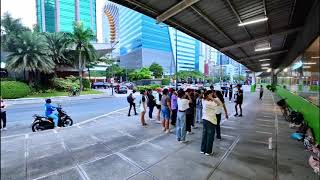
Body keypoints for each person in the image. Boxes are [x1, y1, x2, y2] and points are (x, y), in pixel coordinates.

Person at [201, 90, 221, 156]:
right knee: (210, 136)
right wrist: (212, 98)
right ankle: (208, 151)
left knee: (204, 135)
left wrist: (211, 97)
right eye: (211, 95)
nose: (212, 96)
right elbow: (218, 103)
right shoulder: (210, 103)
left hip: (204, 119)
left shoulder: (203, 101)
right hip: (211, 120)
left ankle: (203, 149)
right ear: (208, 95)